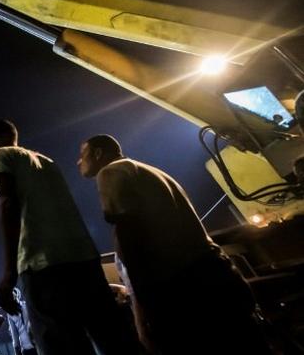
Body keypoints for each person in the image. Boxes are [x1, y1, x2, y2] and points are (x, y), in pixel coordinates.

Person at [77, 134, 273, 354]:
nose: (78, 162)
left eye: (82, 155)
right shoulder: (151, 171)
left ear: (98, 153)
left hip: (186, 293)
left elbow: (129, 240)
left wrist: (141, 315)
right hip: (219, 275)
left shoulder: (110, 172)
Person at [0, 120, 140, 355]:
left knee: (62, 345)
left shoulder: (0, 154)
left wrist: (9, 273)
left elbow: (8, 203)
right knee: (115, 339)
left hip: (43, 266)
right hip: (85, 260)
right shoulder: (46, 162)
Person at [6, 289, 37, 355]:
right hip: (26, 347)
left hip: (38, 343)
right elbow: (14, 332)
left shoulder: (27, 305)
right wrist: (17, 349)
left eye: (13, 294)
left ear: (17, 294)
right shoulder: (10, 313)